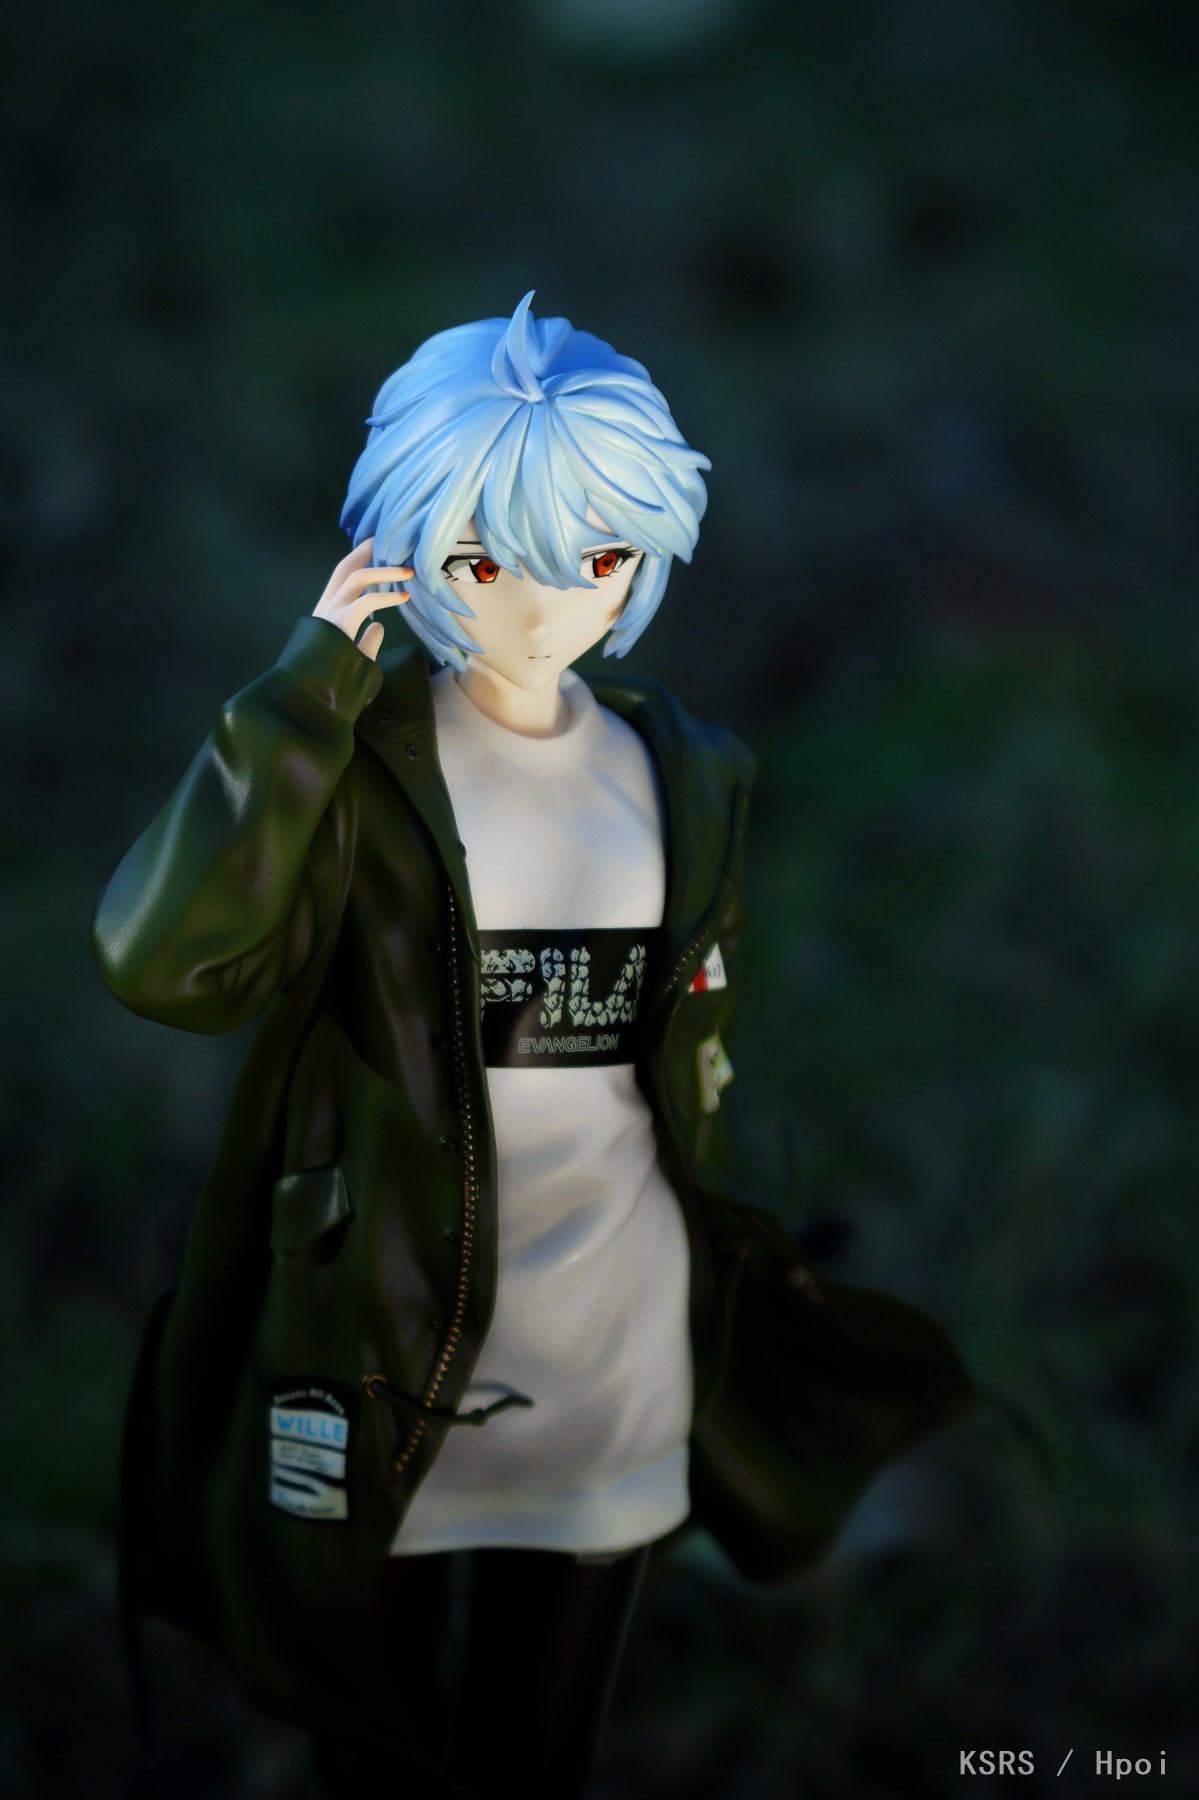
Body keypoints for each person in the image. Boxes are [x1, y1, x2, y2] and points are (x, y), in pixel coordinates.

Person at [94, 294, 979, 1797]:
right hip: (378, 1341)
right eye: (485, 561)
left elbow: (681, 1064)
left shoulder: (684, 776)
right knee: (363, 1728)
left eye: (599, 556)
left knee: (539, 1748)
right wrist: (302, 695)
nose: (540, 607)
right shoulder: (355, 776)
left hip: (607, 1351)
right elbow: (164, 961)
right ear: (408, 551)